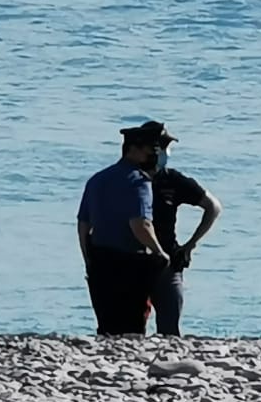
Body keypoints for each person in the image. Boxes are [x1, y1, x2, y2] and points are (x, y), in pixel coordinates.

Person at [76, 121, 173, 336]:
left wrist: (88, 258)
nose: (153, 154)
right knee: (133, 324)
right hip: (129, 263)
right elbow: (140, 224)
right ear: (134, 149)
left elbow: (83, 225)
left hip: (99, 258)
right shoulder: (139, 182)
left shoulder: (97, 180)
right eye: (150, 149)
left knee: (107, 324)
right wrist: (159, 252)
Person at [149, 135, 224, 336]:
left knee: (169, 327)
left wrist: (191, 244)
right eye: (162, 148)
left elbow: (213, 207)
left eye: (167, 148)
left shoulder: (172, 180)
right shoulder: (131, 179)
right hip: (133, 260)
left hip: (168, 260)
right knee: (130, 329)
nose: (165, 153)